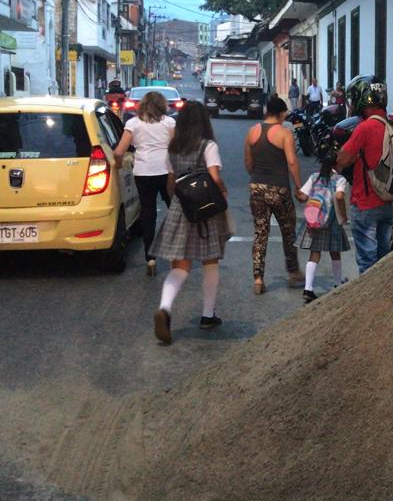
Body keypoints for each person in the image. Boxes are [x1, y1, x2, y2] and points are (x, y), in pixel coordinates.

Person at [152, 101, 231, 344]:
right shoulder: (208, 145)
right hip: (206, 209)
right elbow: (214, 177)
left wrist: (175, 202)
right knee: (210, 261)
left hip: (182, 208)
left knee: (180, 266)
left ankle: (165, 307)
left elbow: (170, 181)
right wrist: (223, 192)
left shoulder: (173, 148)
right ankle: (208, 315)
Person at [244, 96, 304, 295]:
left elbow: (248, 162)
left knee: (260, 233)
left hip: (257, 187)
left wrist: (257, 176)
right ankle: (293, 272)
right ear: (279, 113)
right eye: (284, 113)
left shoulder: (252, 132)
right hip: (279, 189)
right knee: (288, 231)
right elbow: (292, 162)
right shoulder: (284, 133)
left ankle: (258, 278)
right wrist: (299, 187)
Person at [336, 78, 393, 274]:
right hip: (388, 201)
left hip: (365, 203)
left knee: (367, 265)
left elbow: (343, 159)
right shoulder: (391, 125)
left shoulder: (365, 127)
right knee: (384, 262)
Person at [113, 90, 175, 276]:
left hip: (143, 172)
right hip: (166, 171)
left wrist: (117, 166)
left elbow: (119, 152)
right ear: (162, 105)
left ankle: (150, 258)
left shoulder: (133, 123)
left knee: (148, 213)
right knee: (174, 210)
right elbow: (177, 149)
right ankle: (176, 253)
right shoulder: (169, 123)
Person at [294, 152, 350, 303]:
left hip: (315, 220)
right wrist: (343, 215)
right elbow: (339, 196)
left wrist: (297, 192)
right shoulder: (340, 179)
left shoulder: (315, 177)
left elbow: (303, 196)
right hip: (331, 221)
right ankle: (337, 283)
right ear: (336, 164)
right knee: (335, 252)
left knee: (315, 253)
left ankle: (308, 288)